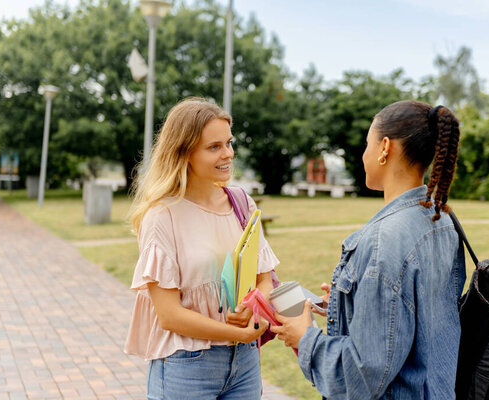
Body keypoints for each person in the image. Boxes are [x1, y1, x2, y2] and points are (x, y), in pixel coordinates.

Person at [271, 100, 466, 399]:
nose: (364, 154)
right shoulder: (441, 221)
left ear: (385, 147)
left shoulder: (382, 241)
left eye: (367, 144)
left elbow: (360, 377)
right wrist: (349, 304)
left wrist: (305, 337)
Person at [124, 98, 279, 399]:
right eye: (214, 147)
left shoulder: (242, 203)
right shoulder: (161, 216)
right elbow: (169, 315)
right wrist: (238, 333)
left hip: (244, 364)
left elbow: (265, 276)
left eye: (229, 143)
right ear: (184, 152)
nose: (228, 154)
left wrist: (254, 306)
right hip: (187, 367)